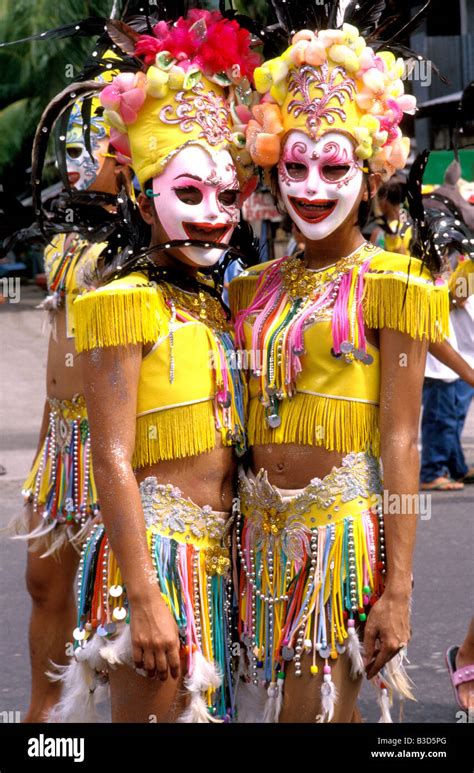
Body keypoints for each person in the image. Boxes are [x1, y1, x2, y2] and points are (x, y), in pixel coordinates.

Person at [229, 19, 450, 723]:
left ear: (372, 170)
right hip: (258, 542)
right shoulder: (249, 288)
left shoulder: (397, 284)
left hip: (341, 543)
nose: (313, 187)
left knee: (308, 712)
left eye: (334, 166)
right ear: (270, 168)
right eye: (294, 166)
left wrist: (400, 589)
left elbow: (405, 440)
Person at [48, 8, 260, 723]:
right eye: (190, 192)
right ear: (142, 196)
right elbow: (109, 455)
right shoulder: (121, 301)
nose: (213, 213)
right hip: (155, 563)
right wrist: (141, 592)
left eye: (228, 195)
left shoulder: (218, 304)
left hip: (215, 567)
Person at [7, 77, 129, 722]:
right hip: (60, 444)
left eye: (94, 146)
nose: (78, 163)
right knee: (44, 584)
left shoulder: (152, 241)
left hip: (122, 441)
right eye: (71, 148)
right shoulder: (66, 236)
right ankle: (40, 722)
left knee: (120, 600)